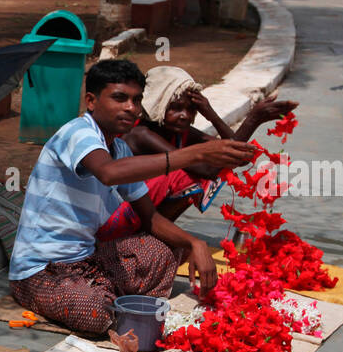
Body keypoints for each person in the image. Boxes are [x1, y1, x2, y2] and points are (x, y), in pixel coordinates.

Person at [9, 60, 255, 337]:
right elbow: (108, 173)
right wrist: (195, 155)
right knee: (95, 311)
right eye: (119, 98)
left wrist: (194, 243)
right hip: (41, 271)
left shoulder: (120, 148)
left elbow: (149, 217)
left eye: (136, 100)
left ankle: (104, 289)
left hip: (89, 259)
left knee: (163, 253)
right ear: (91, 101)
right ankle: (101, 295)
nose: (131, 108)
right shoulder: (77, 132)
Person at [102, 65, 296, 241]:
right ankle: (151, 236)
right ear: (156, 104)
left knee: (212, 167)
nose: (184, 115)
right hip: (112, 217)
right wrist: (251, 120)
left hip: (140, 210)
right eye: (176, 108)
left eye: (191, 109)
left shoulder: (181, 133)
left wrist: (211, 114)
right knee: (185, 174)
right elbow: (208, 169)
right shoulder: (142, 133)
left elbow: (237, 157)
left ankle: (156, 233)